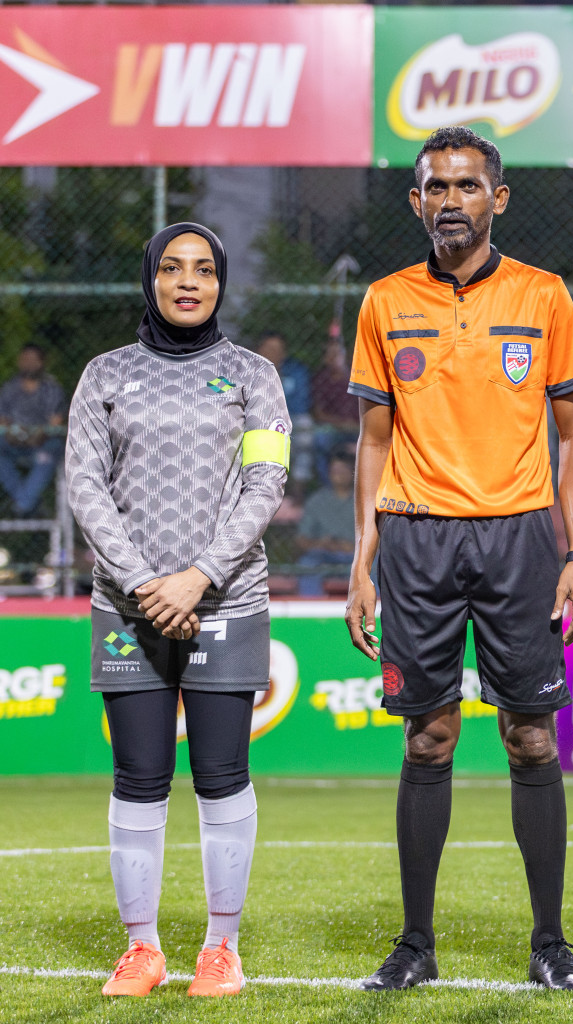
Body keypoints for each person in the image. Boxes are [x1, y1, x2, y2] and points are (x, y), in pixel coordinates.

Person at [344, 126, 573, 992]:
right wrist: (362, 562)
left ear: (498, 198)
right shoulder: (384, 301)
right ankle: (415, 945)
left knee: (530, 736)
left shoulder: (544, 295)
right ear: (416, 200)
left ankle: (551, 944)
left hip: (519, 535)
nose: (451, 200)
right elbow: (373, 442)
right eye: (437, 187)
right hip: (415, 536)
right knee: (430, 736)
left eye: (467, 185)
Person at [65, 223, 291, 998]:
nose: (188, 281)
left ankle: (221, 950)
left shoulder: (254, 375)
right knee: (139, 776)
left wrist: (198, 578)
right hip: (127, 607)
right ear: (151, 278)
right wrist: (144, 584)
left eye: (203, 270)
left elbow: (265, 483)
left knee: (222, 774)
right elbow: (84, 484)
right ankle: (142, 951)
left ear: (221, 282)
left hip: (227, 600)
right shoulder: (103, 374)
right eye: (171, 268)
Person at [0, 343, 66, 514]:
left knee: (51, 451)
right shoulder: (9, 389)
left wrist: (38, 434)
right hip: (14, 441)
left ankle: (22, 505)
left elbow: (55, 422)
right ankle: (29, 502)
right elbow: (3, 420)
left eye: (33, 360)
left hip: (42, 443)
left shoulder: (52, 389)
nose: (28, 363)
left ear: (42, 363)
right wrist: (13, 433)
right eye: (25, 359)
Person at [295, 448, 355, 596]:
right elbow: (301, 540)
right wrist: (321, 544)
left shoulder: (365, 500)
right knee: (307, 563)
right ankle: (312, 608)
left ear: (353, 472)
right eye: (335, 470)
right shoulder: (316, 501)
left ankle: (375, 607)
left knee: (375, 564)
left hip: (356, 557)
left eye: (344, 469)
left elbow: (378, 539)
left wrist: (356, 548)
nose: (339, 474)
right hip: (323, 556)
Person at [255, 332, 313, 481]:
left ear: (284, 353)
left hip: (291, 418)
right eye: (268, 348)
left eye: (277, 349)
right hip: (257, 419)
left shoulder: (295, 371)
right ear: (259, 350)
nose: (272, 353)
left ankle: (300, 484)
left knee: (305, 426)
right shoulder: (249, 369)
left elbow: (301, 404)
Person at [309, 334, 359, 484]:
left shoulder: (358, 376)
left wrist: (357, 425)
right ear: (325, 359)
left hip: (359, 427)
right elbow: (318, 414)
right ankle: (327, 486)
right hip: (333, 428)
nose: (334, 358)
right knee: (320, 438)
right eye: (330, 354)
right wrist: (341, 423)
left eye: (338, 354)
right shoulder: (321, 379)